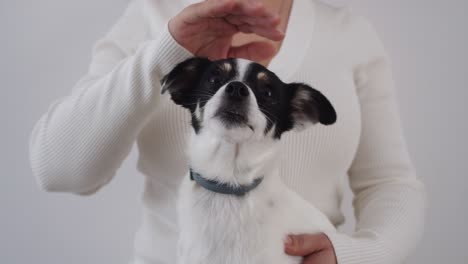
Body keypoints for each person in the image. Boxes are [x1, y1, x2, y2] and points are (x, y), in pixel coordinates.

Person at [29, 0, 426, 263]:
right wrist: (165, 52)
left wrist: (356, 255)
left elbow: (390, 182)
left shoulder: (349, 34)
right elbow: (57, 169)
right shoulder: (151, 14)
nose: (236, 93)